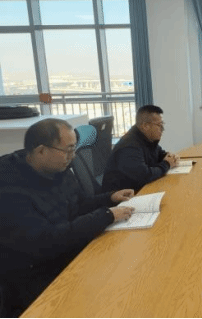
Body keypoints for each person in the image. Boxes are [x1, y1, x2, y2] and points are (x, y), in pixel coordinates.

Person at [0, 118, 135, 317]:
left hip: (68, 255)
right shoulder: (10, 190)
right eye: (68, 150)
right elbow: (47, 241)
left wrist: (110, 198)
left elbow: (79, 205)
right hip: (37, 279)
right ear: (41, 151)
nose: (73, 156)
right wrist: (105, 216)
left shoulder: (58, 170)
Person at [102, 105, 178, 193]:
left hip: (138, 189)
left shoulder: (147, 139)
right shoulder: (129, 146)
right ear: (145, 126)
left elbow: (159, 154)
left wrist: (169, 157)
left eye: (162, 124)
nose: (162, 129)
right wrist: (167, 164)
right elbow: (144, 176)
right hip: (123, 197)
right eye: (159, 125)